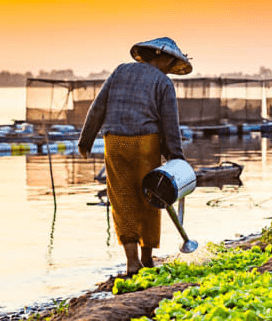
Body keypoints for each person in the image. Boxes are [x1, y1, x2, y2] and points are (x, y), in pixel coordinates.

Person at [78, 37, 192, 275]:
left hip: (115, 142)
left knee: (122, 199)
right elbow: (170, 123)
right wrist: (176, 157)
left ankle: (132, 263)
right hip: (145, 143)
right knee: (151, 198)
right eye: (170, 61)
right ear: (160, 57)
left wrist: (85, 140)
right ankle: (146, 259)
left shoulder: (120, 71)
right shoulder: (163, 83)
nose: (170, 66)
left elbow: (97, 107)